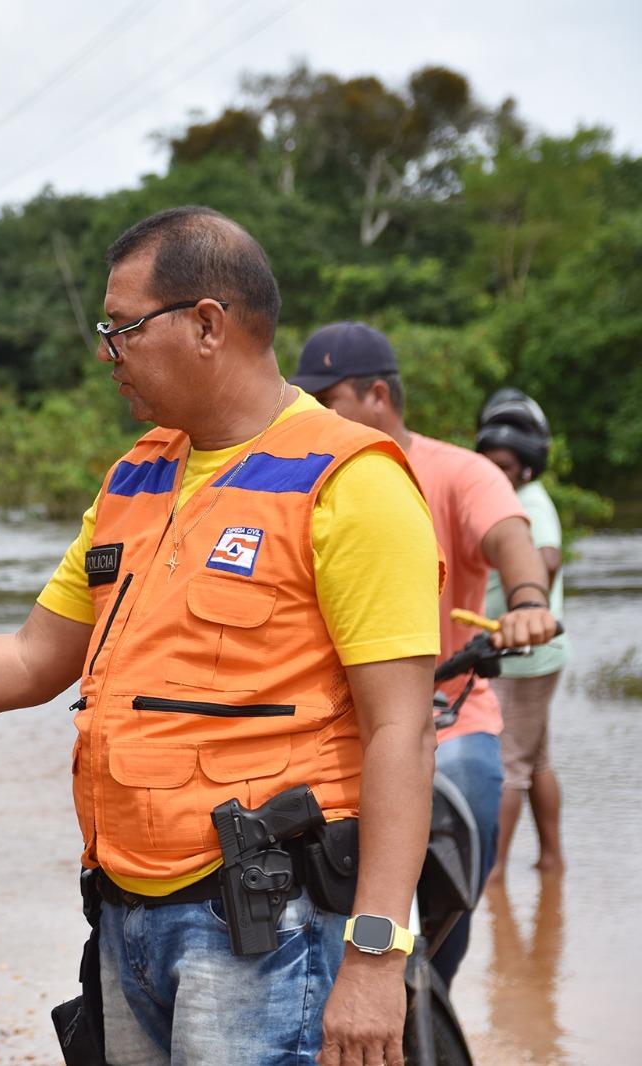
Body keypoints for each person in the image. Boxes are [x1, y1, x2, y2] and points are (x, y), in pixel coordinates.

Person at [0, 206, 445, 1066]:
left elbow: (403, 729)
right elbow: (29, 658)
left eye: (121, 327)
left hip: (267, 930)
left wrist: (377, 956)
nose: (105, 352)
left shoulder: (350, 483)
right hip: (127, 917)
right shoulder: (139, 474)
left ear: (208, 324)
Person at [293, 322, 559, 986]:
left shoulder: (460, 472)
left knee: (471, 798)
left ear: (377, 395)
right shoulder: (301, 473)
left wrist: (526, 600)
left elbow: (510, 538)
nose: (311, 417)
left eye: (327, 402)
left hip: (447, 708)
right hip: (331, 717)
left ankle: (431, 988)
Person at [476, 388, 569, 877]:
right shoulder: (515, 497)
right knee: (534, 761)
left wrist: (524, 613)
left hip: (525, 658)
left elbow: (548, 557)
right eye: (489, 464)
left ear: (528, 465)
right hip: (533, 656)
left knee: (508, 765)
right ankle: (551, 859)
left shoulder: (531, 502)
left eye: (506, 466)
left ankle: (493, 872)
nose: (496, 473)